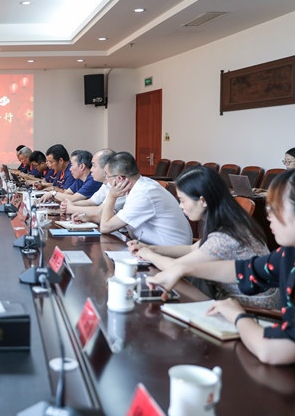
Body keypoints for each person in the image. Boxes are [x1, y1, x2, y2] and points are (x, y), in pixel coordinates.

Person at [148, 169, 295, 365]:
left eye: (276, 208)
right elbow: (245, 270)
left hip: (262, 321)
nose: (268, 215)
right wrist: (182, 269)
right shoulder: (287, 253)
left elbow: (270, 350)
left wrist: (237, 315)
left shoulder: (228, 233)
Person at [129, 166, 278, 308]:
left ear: (203, 201)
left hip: (249, 307)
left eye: (183, 200)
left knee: (171, 285)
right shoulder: (228, 220)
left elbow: (175, 267)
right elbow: (192, 249)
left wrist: (148, 254)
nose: (180, 206)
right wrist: (150, 248)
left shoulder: (225, 236)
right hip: (229, 297)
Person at [99, 152, 192, 245]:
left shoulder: (143, 194)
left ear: (120, 179)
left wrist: (112, 196)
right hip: (152, 247)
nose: (106, 179)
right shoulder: (141, 185)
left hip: (170, 251)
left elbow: (105, 228)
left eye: (107, 175)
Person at [62, 149, 125, 222]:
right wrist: (71, 204)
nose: (91, 169)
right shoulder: (106, 184)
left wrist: (72, 208)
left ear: (106, 167)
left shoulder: (120, 185)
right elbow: (91, 202)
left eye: (94, 166)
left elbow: (100, 211)